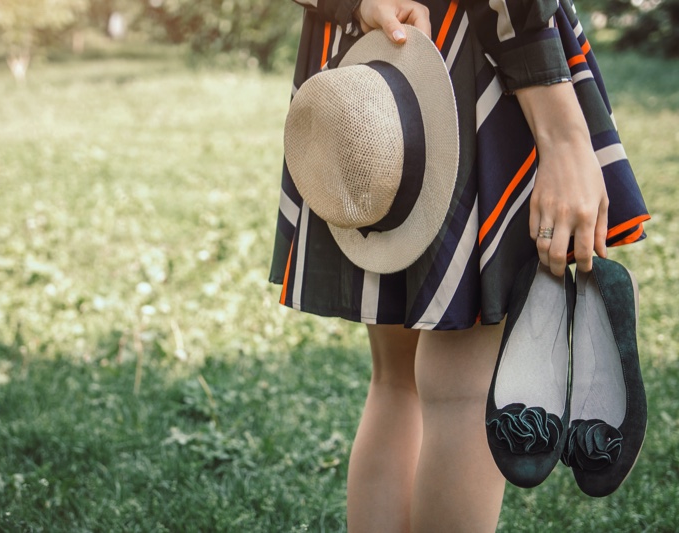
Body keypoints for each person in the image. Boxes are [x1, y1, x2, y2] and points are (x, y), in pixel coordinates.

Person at [269, 0, 650, 530]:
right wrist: (562, 136)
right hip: (474, 63)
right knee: (466, 396)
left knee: (396, 382)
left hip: (373, 66)